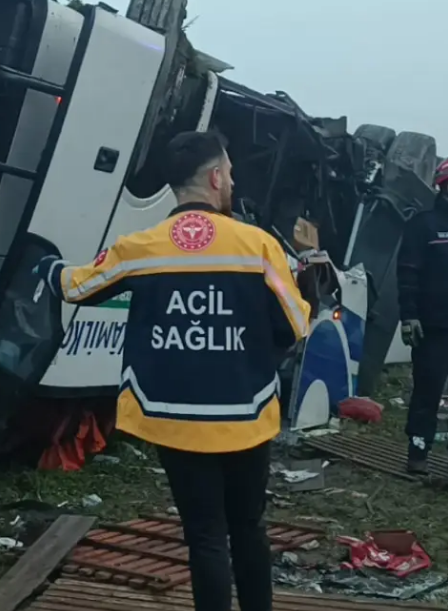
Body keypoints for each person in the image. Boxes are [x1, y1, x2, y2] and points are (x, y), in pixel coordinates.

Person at [34, 131, 311, 611]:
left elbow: (77, 286)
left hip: (172, 416)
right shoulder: (257, 245)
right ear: (216, 176)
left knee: (204, 535)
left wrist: (44, 266)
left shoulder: (141, 246)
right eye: (229, 172)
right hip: (246, 414)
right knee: (248, 527)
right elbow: (295, 322)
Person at [398, 158, 448, 473]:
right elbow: (407, 273)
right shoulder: (424, 224)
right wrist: (408, 316)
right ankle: (418, 453)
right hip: (433, 326)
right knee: (427, 390)